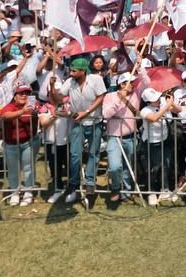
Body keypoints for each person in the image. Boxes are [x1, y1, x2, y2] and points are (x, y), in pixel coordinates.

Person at [56, 57, 106, 204]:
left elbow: (101, 97)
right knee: (74, 155)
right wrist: (52, 88)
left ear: (83, 71)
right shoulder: (69, 82)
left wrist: (87, 111)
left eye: (74, 71)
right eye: (70, 70)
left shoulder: (96, 79)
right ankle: (73, 185)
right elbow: (58, 97)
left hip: (95, 122)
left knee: (93, 153)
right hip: (78, 123)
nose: (71, 73)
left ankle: (90, 183)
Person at [101, 73, 141, 203]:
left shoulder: (136, 94)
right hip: (114, 136)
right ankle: (116, 188)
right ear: (122, 84)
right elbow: (106, 114)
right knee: (114, 166)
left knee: (128, 167)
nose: (133, 85)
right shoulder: (110, 96)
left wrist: (140, 66)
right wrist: (119, 99)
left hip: (130, 136)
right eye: (131, 82)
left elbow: (146, 81)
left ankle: (126, 193)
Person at [0, 84, 38, 206]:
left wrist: (35, 112)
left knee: (28, 168)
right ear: (15, 96)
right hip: (10, 144)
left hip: (27, 142)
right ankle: (14, 193)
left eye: (27, 93)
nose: (24, 95)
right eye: (21, 93)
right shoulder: (9, 106)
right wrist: (22, 111)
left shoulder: (32, 106)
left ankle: (28, 192)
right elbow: (5, 116)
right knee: (13, 170)